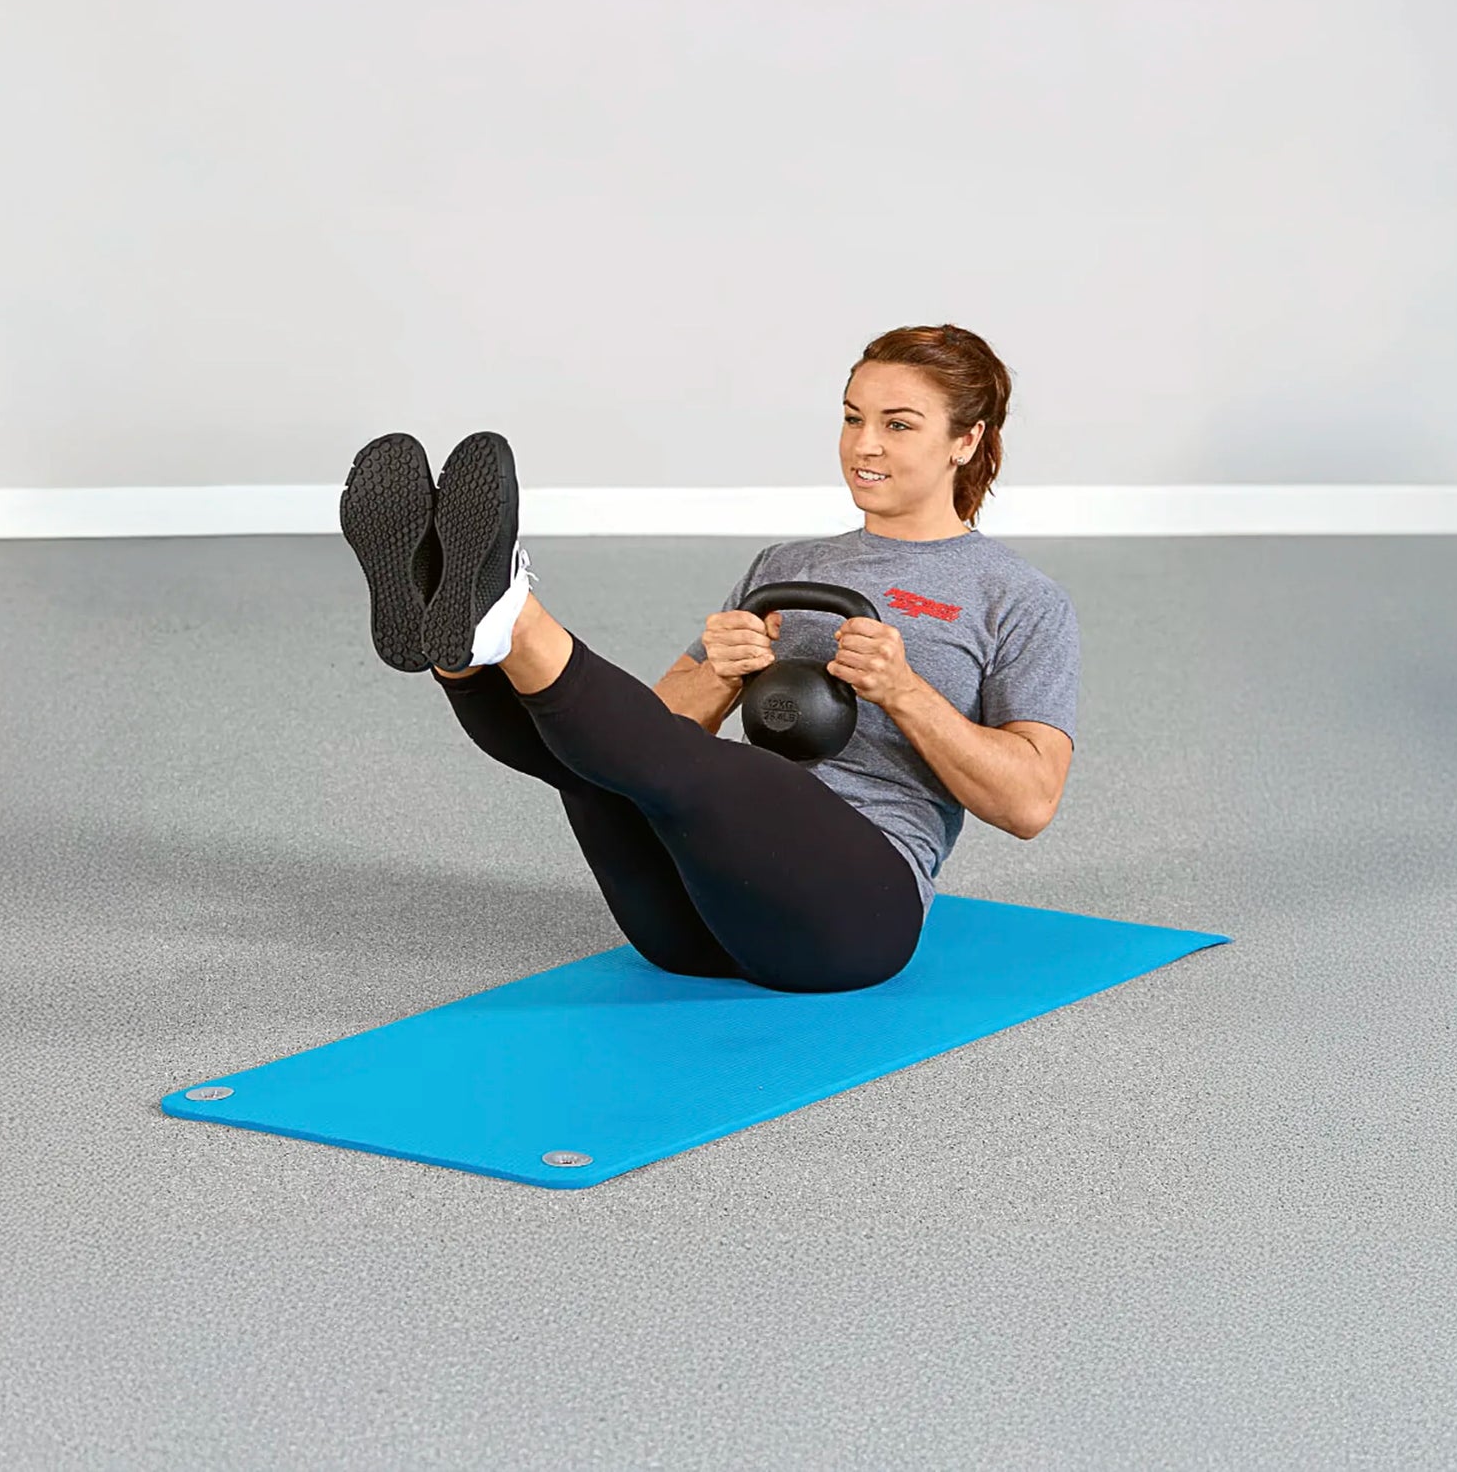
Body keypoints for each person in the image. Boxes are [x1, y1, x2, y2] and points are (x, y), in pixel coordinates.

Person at [338, 324, 1079, 994]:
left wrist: (906, 692)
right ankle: (459, 644)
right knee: (593, 774)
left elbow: (1030, 804)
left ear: (966, 440)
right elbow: (647, 741)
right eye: (852, 418)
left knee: (741, 772)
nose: (864, 445)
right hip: (691, 922)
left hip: (850, 926)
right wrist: (719, 674)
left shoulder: (1015, 596)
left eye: (898, 425)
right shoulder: (785, 564)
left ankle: (512, 616)